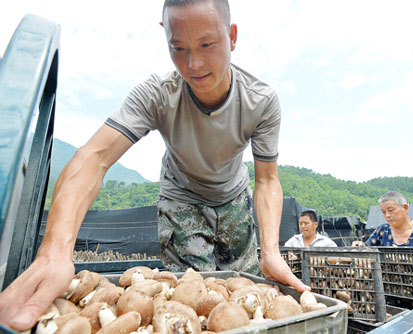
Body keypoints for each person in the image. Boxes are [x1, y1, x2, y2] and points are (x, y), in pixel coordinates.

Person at [0, 0, 308, 331]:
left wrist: (272, 251)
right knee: (193, 299)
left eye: (207, 44)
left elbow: (266, 181)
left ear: (231, 36)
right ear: (166, 37)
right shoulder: (157, 94)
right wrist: (55, 250)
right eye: (178, 48)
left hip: (234, 197)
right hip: (181, 199)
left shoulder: (261, 100)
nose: (194, 63)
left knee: (238, 297)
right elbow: (94, 157)